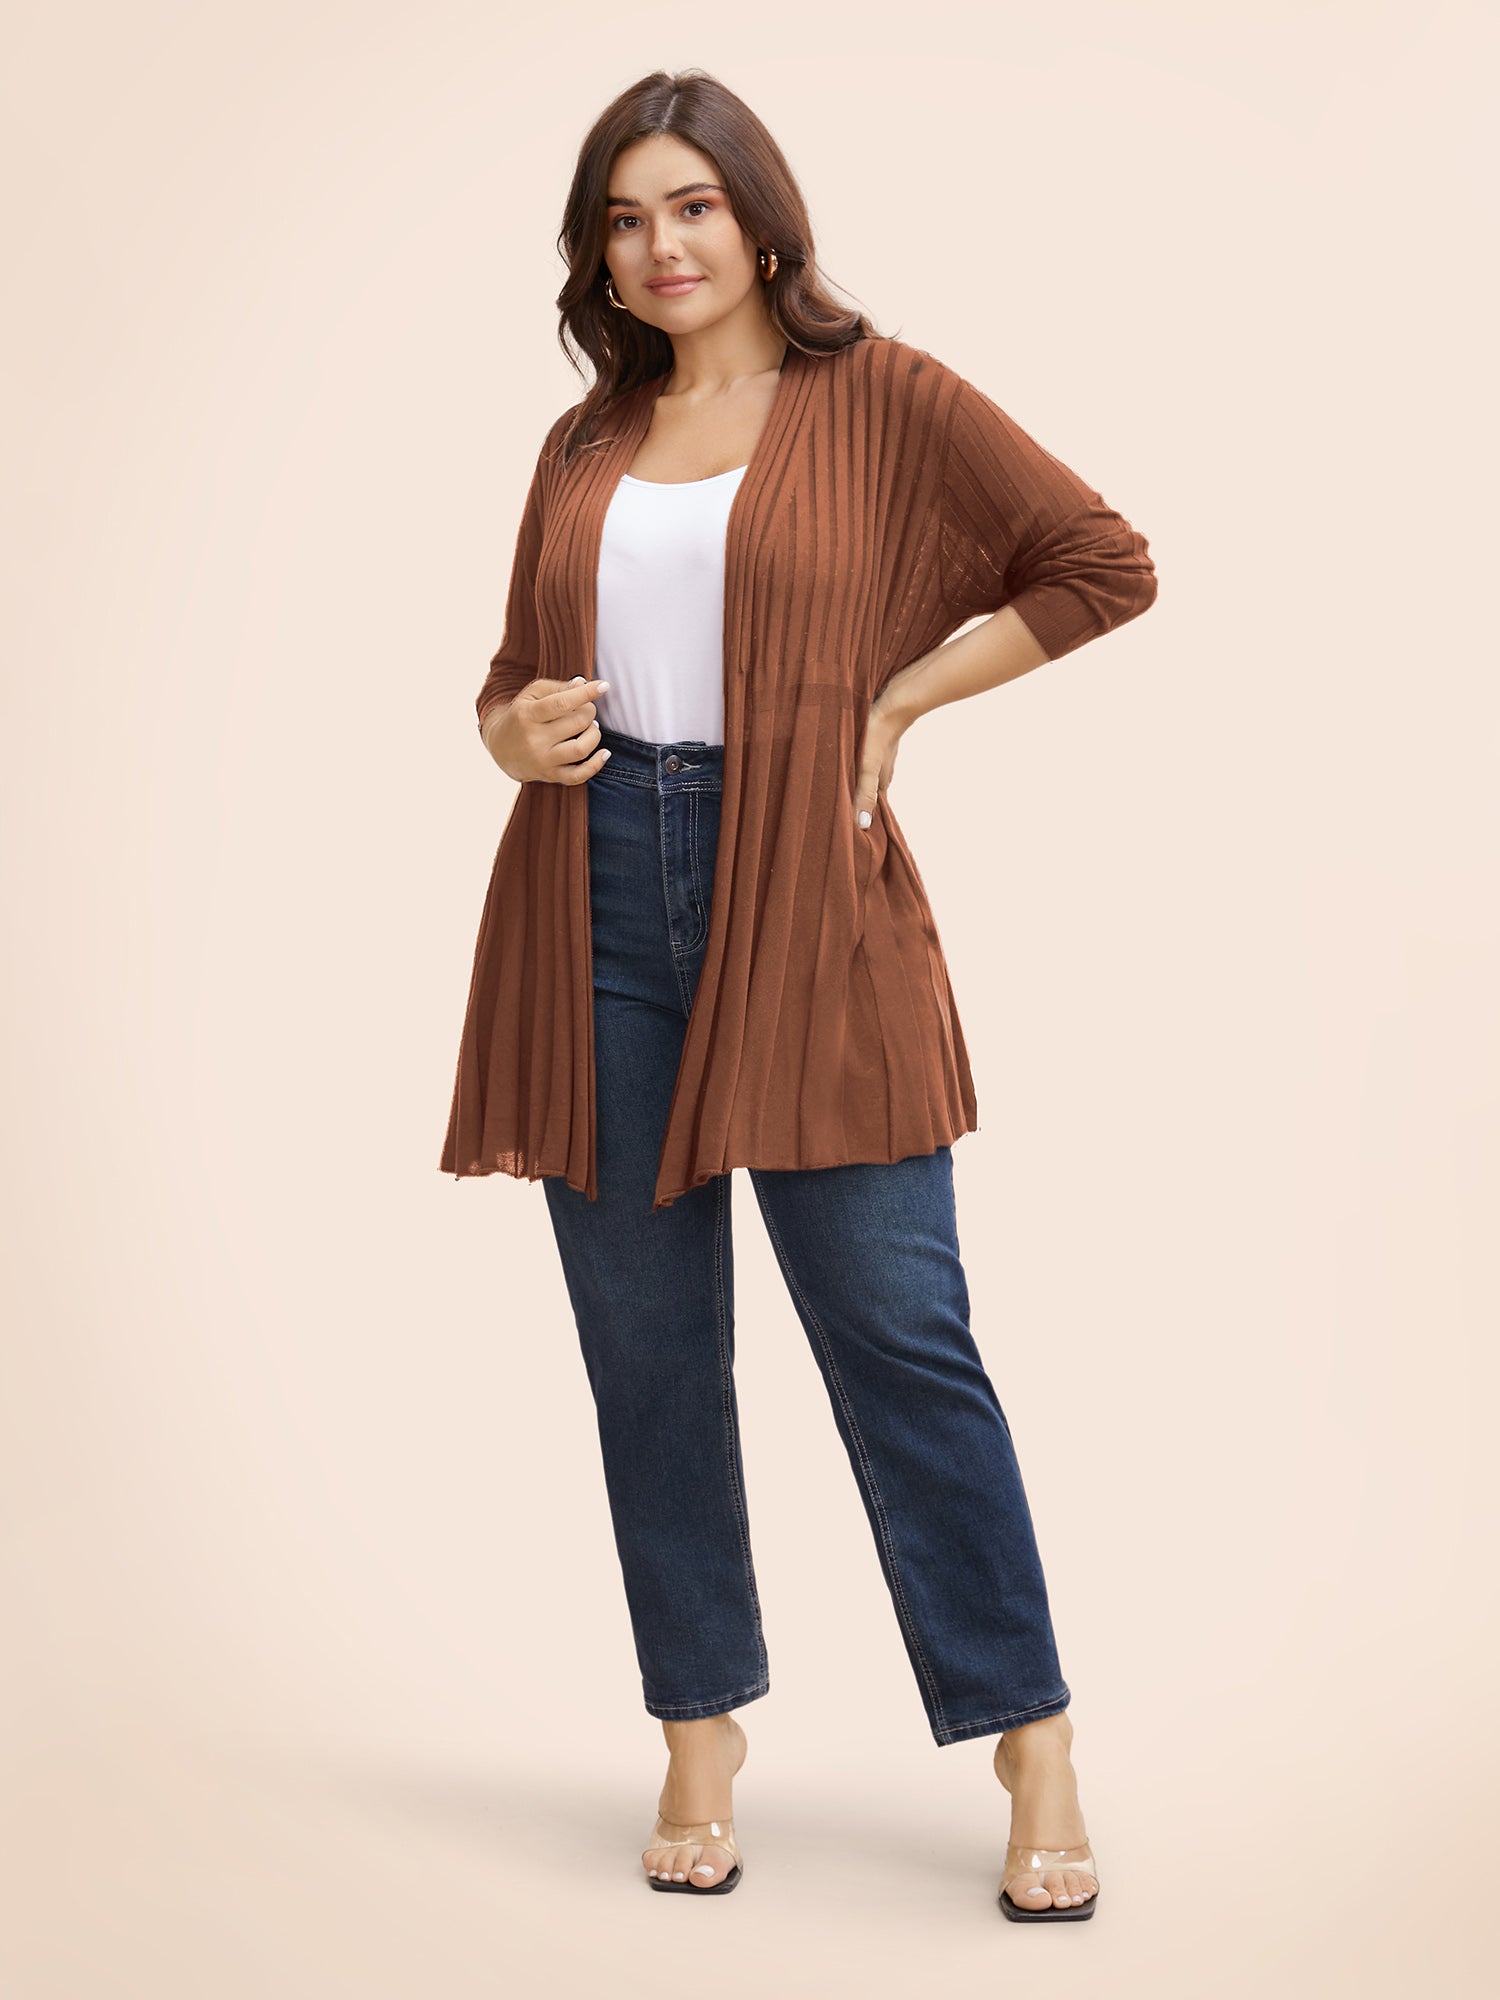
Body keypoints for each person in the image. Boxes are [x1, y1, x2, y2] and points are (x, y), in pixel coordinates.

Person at [445, 68, 1158, 1919]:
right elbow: (515, 678)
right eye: (623, 219)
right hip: (591, 904)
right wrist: (512, 733)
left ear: (761, 222)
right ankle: (698, 1731)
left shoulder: (884, 397)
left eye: (689, 205)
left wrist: (899, 698)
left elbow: (1101, 564)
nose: (658, 246)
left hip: (807, 904)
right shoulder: (585, 440)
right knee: (647, 1351)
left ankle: (1030, 1736)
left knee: (902, 1333)